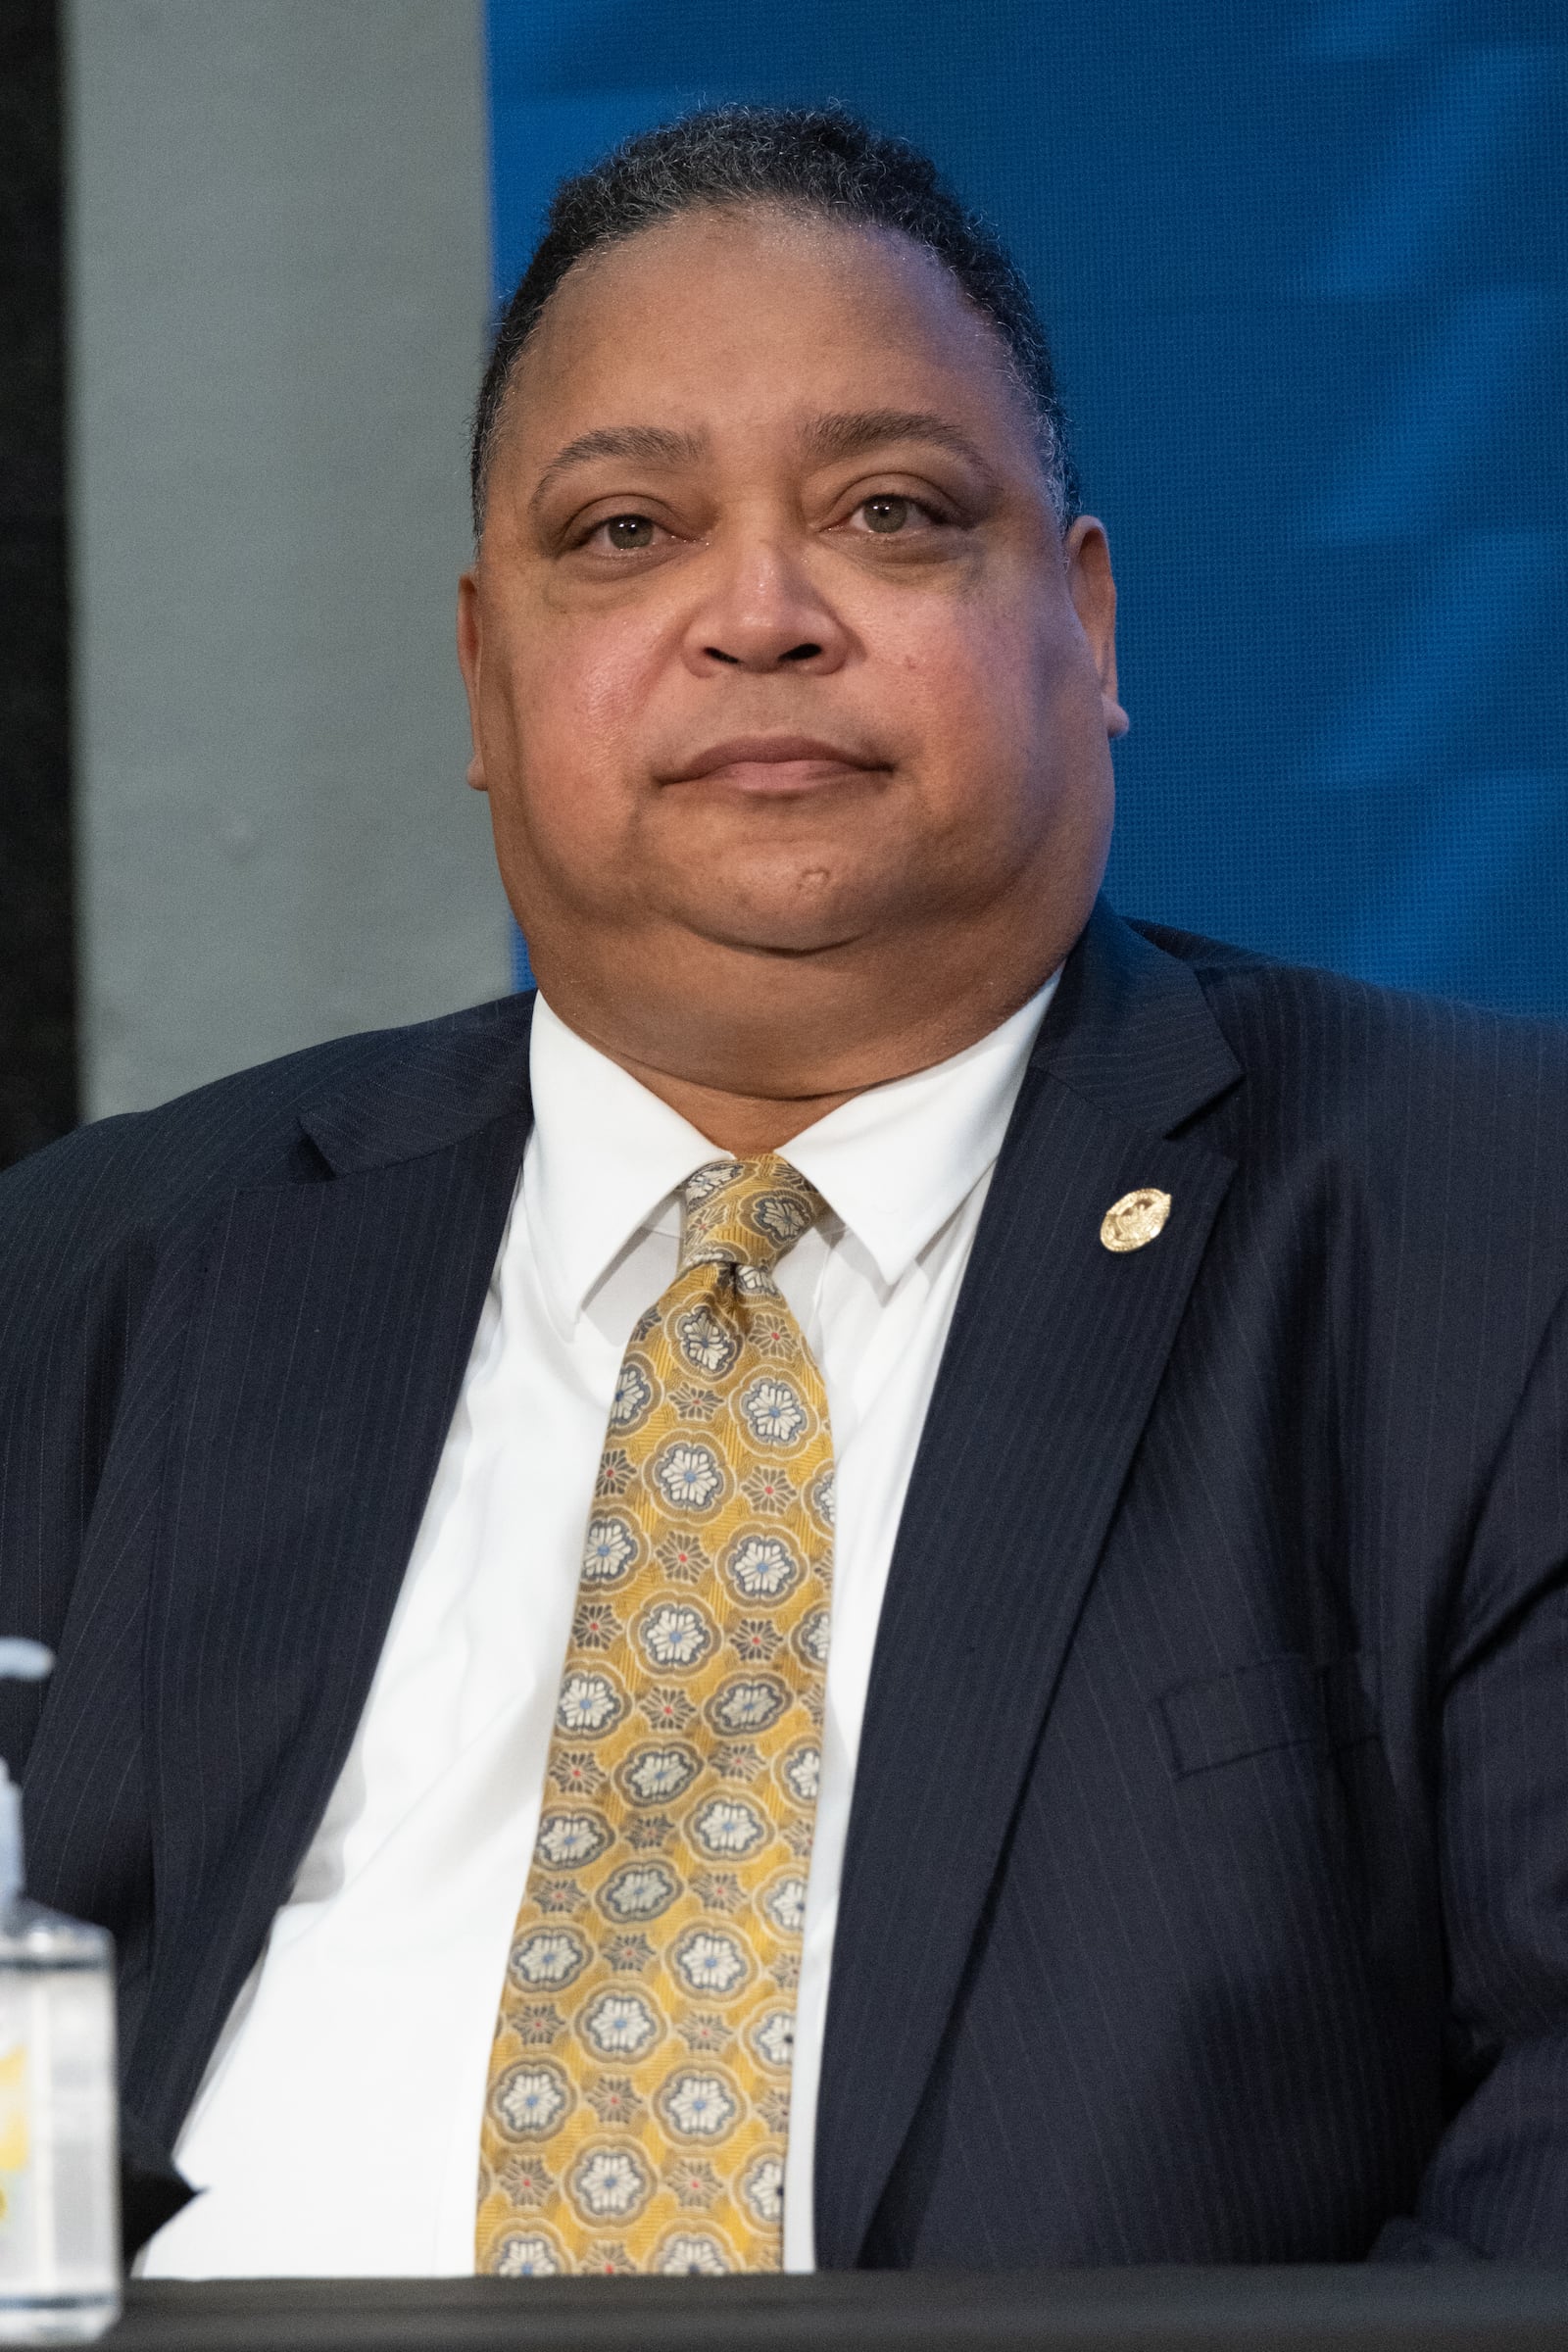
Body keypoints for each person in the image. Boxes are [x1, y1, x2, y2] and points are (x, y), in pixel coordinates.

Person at [3, 104, 1568, 2279]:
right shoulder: (86, 1278)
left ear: (1085, 624)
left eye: (892, 513)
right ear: (482, 673)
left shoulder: (1489, 1236)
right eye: (625, 528)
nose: (758, 613)